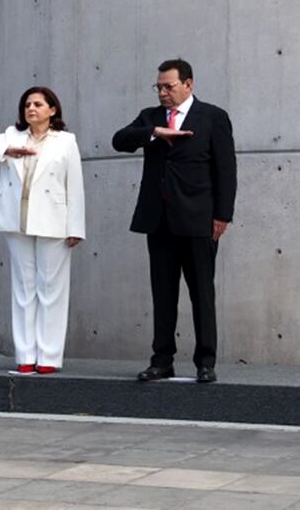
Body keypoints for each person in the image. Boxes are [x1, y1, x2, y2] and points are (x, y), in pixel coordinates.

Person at [112, 59, 236, 384]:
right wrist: (154, 133)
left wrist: (223, 215)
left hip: (199, 221)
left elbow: (226, 171)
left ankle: (205, 362)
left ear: (189, 84)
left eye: (169, 86)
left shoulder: (213, 117)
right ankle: (161, 360)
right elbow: (119, 140)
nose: (163, 93)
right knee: (163, 294)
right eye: (159, 87)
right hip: (159, 221)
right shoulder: (150, 118)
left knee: (201, 294)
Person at [0, 88, 85, 373]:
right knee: (23, 290)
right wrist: (6, 151)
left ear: (52, 110)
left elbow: (75, 186)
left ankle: (49, 357)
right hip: (15, 220)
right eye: (27, 105)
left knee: (51, 291)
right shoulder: (12, 136)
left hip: (54, 220)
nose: (31, 108)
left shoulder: (66, 141)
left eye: (38, 104)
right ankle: (26, 356)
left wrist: (76, 227)